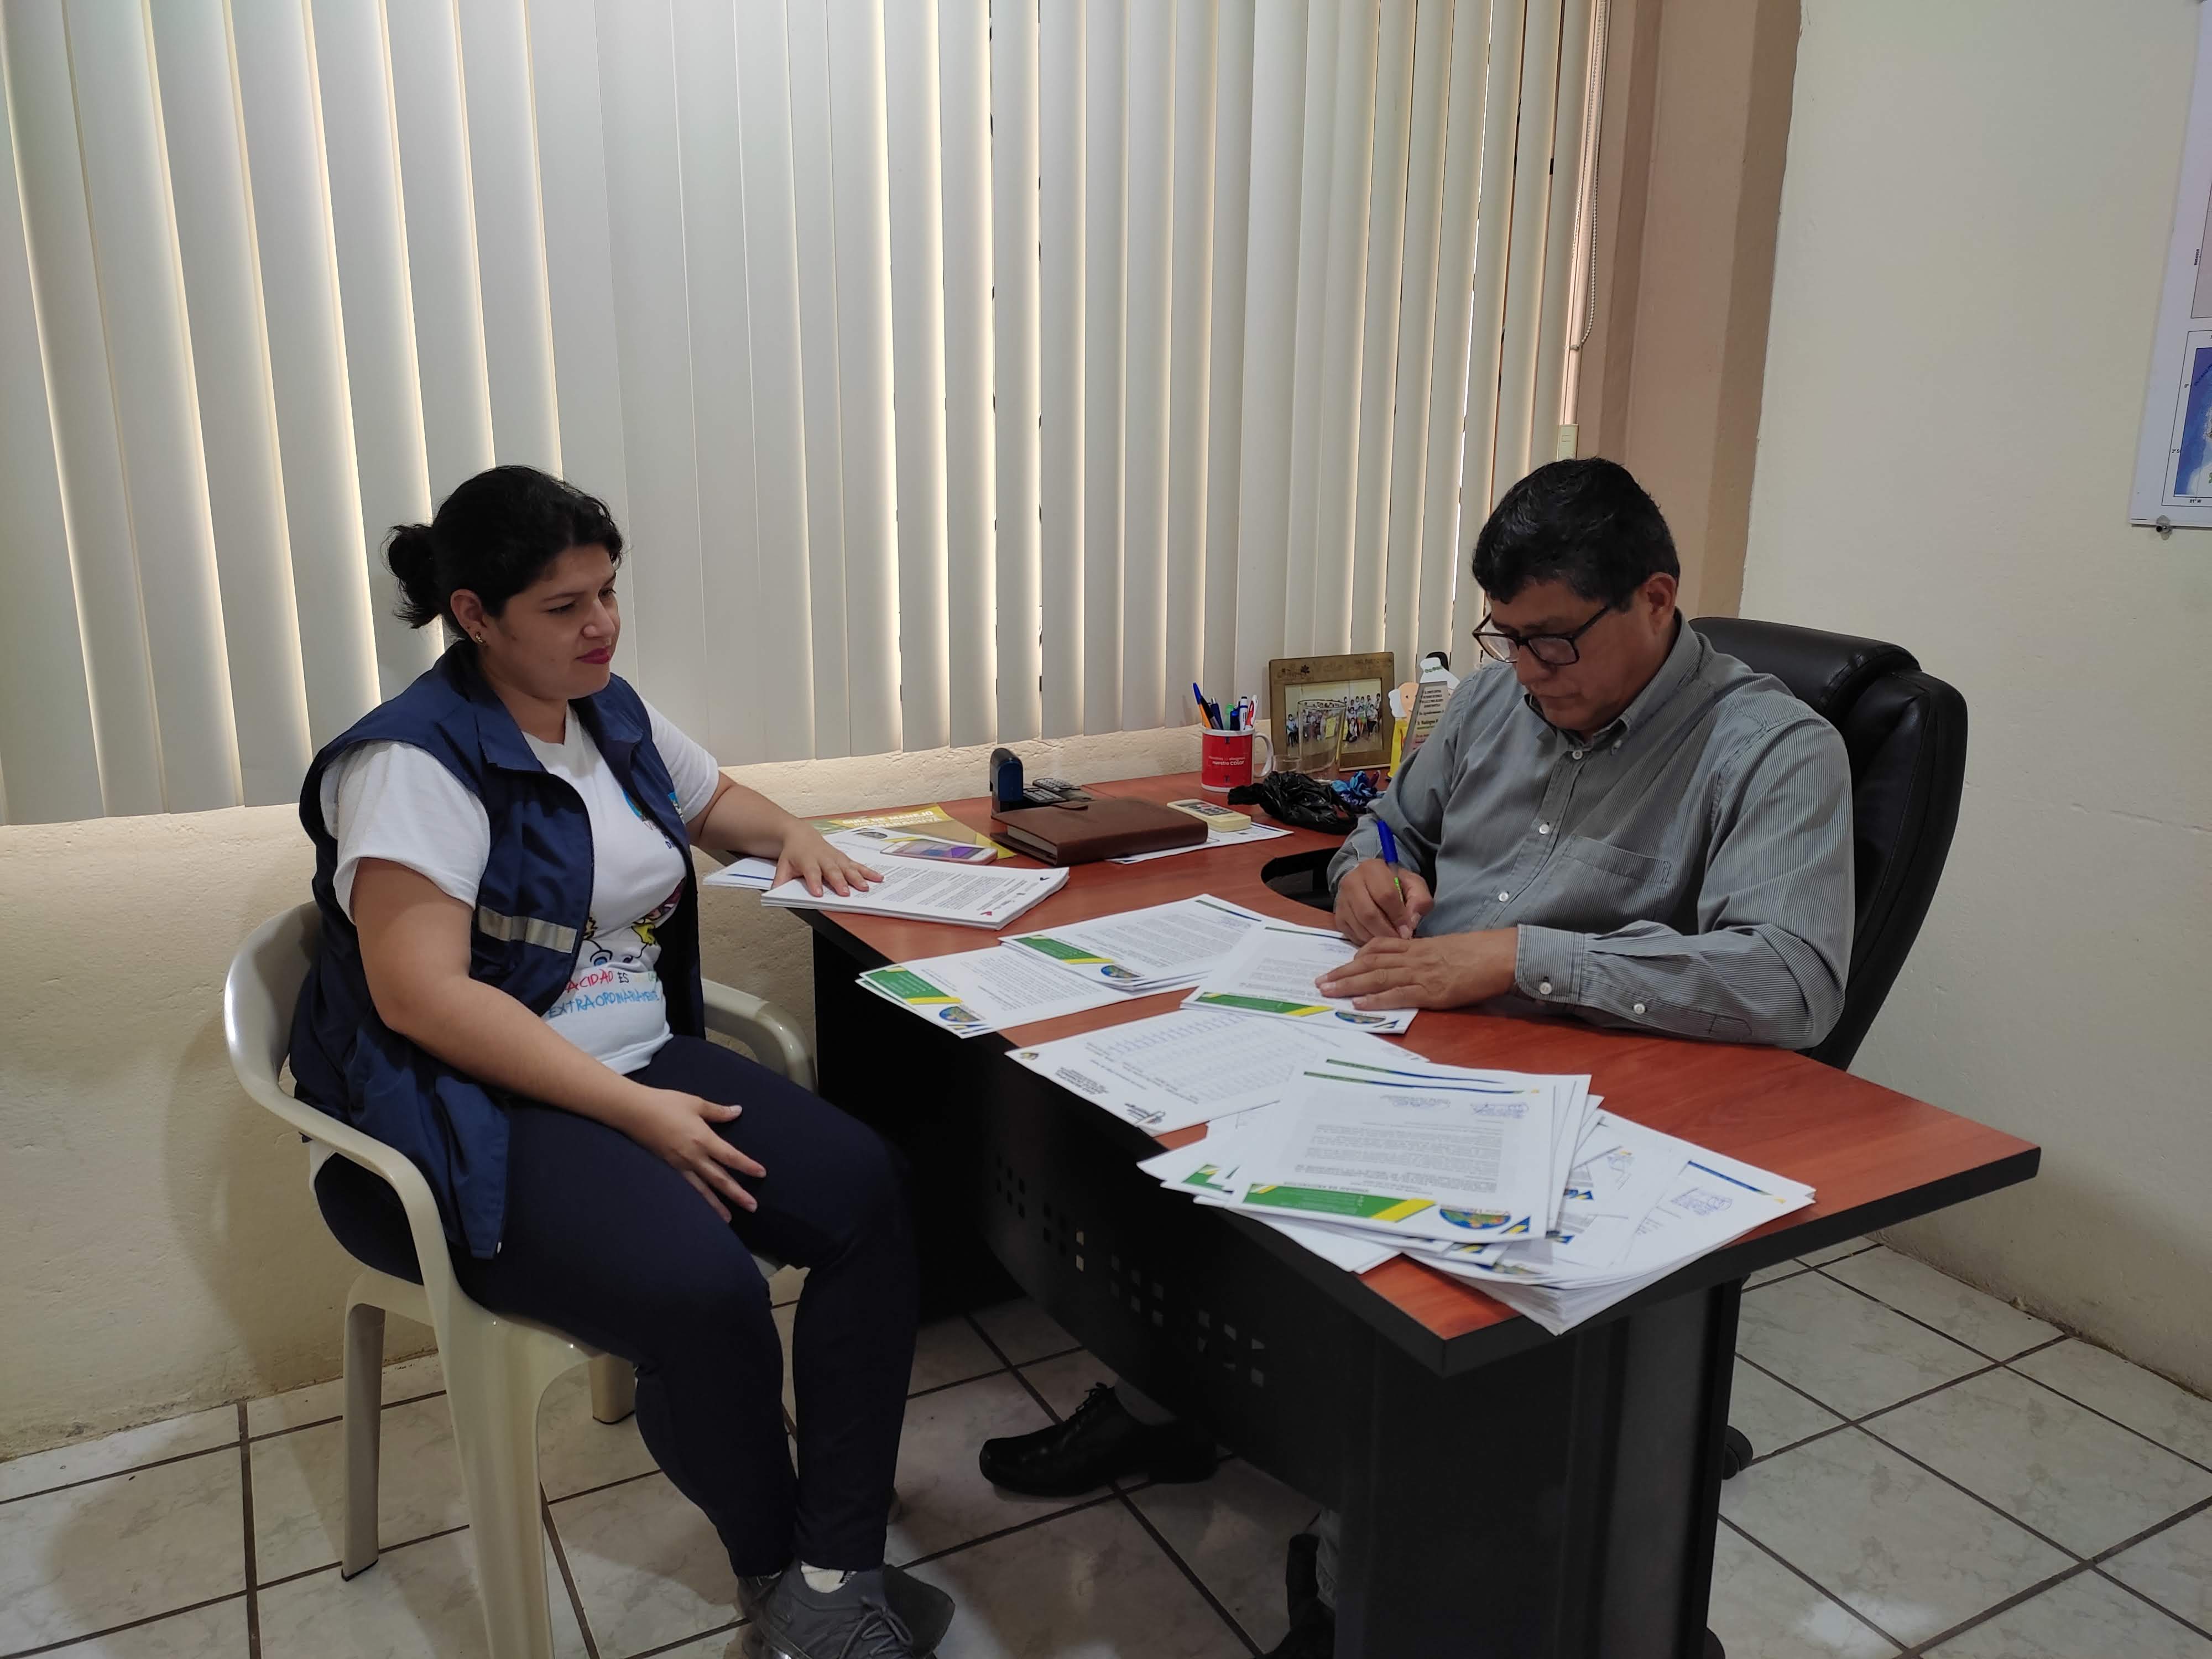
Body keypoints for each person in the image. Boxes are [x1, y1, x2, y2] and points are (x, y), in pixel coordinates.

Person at [975, 457, 1854, 1657]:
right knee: (1163, 1130)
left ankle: (1351, 1592)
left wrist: (1520, 958)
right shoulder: (1494, 703)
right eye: (1505, 638)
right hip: (1403, 1029)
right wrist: (1364, 876)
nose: (1528, 672)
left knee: (1395, 1316)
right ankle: (1168, 1399)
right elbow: (1390, 824)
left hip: (1571, 1099)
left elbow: (1790, 981)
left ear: (1655, 598)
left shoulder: (1771, 749)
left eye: (1553, 641)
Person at [288, 466, 951, 1659]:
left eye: (607, 593)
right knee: (705, 1292)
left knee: (871, 1192)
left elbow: (717, 803)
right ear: (475, 615)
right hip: (470, 1112)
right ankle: (775, 1567)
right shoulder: (412, 765)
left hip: (636, 1060)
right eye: (564, 606)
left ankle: (831, 1564)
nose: (601, 625)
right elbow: (420, 998)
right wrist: (638, 1116)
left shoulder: (605, 711)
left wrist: (792, 833)